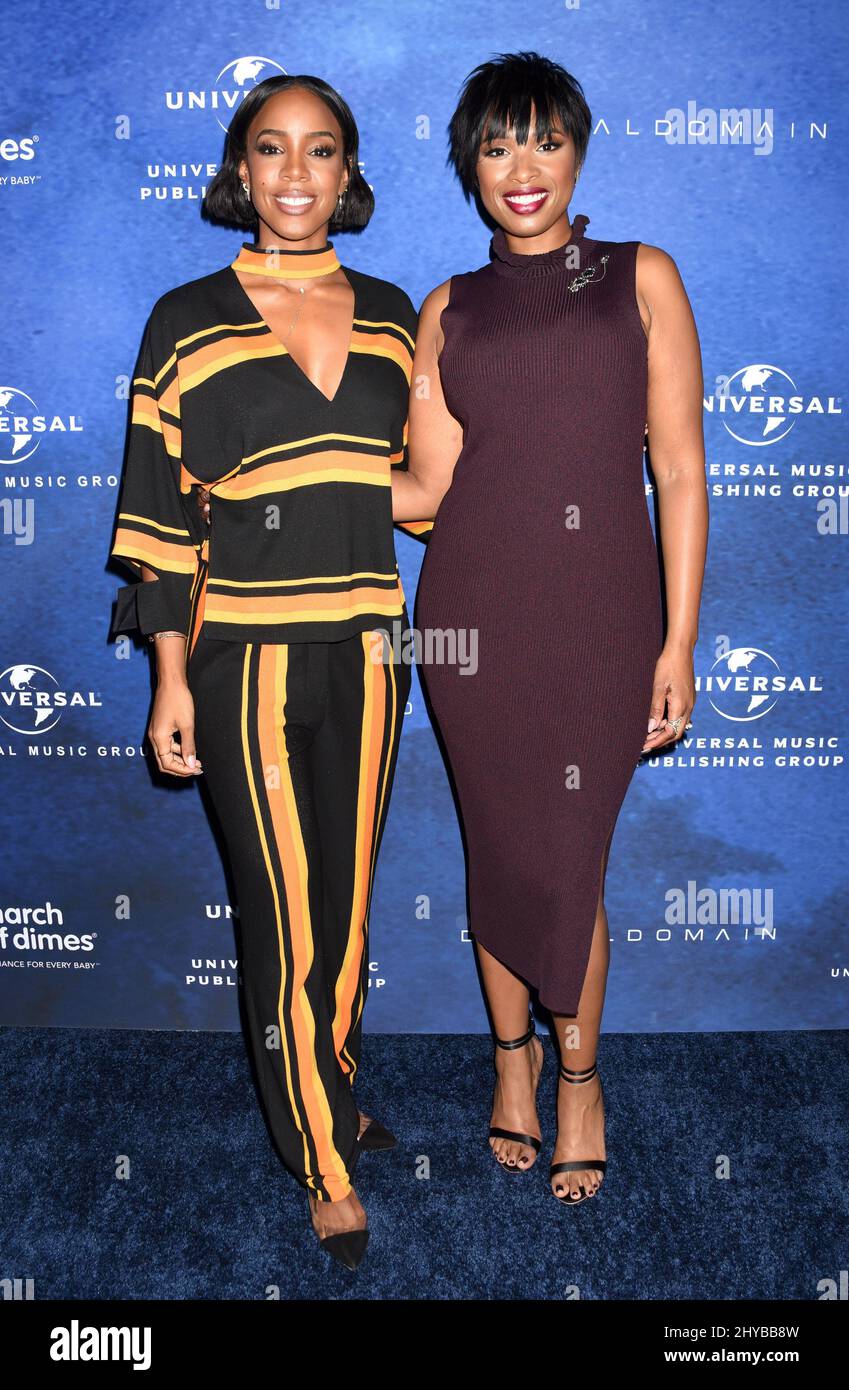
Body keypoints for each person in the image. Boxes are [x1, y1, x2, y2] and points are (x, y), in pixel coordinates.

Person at [108, 74, 430, 1269]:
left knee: (344, 912)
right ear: (239, 169)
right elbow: (156, 520)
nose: (296, 174)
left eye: (321, 151)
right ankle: (325, 1162)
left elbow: (423, 491)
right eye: (271, 150)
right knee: (287, 917)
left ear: (348, 173)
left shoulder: (399, 314)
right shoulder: (183, 319)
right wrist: (170, 678)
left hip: (373, 647)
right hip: (241, 660)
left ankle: (330, 1093)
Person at [392, 51, 707, 1205]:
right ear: (469, 165)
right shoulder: (447, 307)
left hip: (605, 618)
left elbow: (677, 469)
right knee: (498, 846)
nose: (521, 169)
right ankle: (511, 1066)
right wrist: (306, 472)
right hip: (470, 620)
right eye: (495, 146)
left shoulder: (641, 277)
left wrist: (677, 643)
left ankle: (580, 1076)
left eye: (544, 141)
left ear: (579, 149)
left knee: (570, 852)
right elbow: (427, 491)